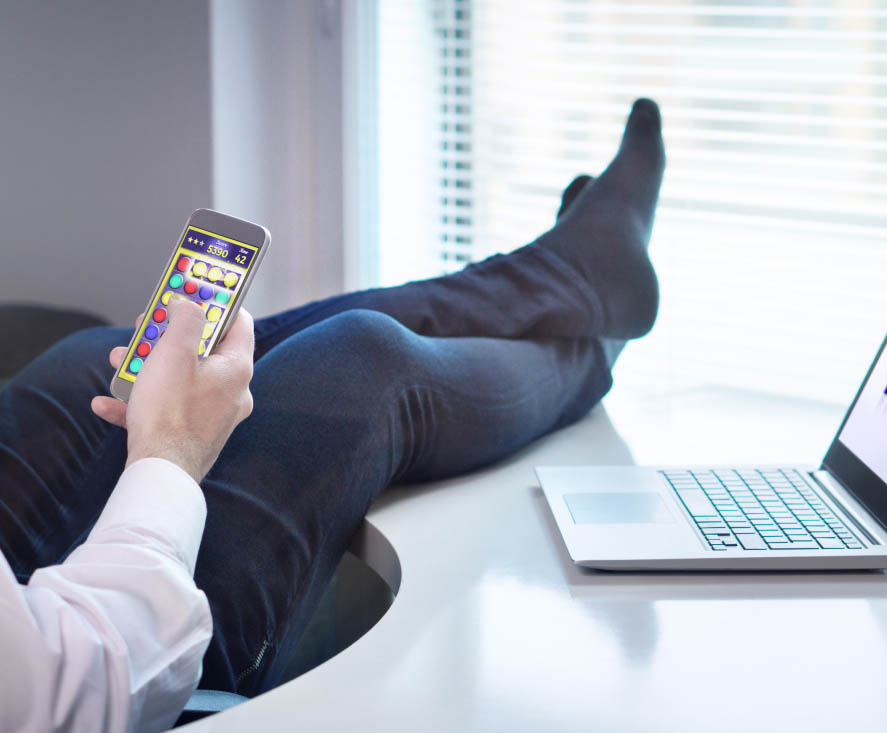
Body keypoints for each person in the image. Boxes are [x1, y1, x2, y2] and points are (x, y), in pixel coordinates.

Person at [0, 98, 665, 732]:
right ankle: (587, 325)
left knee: (91, 359)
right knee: (357, 359)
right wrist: (169, 452)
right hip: (124, 670)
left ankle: (571, 280)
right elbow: (85, 686)